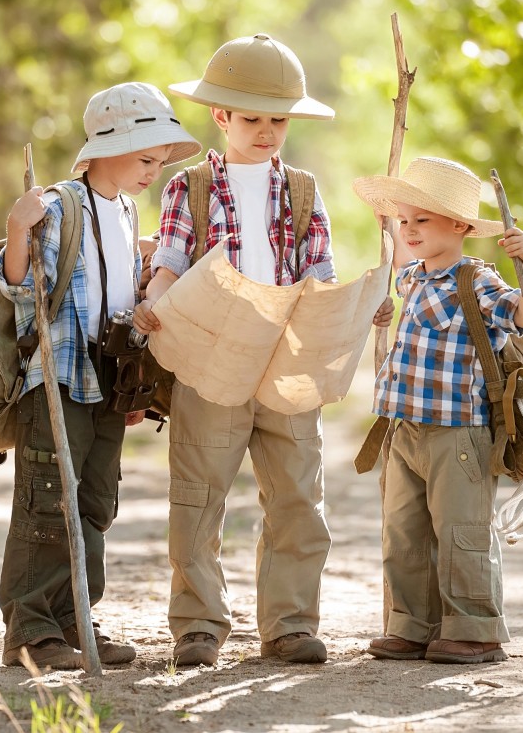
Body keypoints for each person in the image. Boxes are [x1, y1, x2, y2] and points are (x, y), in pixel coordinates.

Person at [132, 33, 393, 667]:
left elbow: (319, 274)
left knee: (299, 496)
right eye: (252, 119)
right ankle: (198, 623)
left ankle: (290, 623)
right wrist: (153, 306)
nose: (267, 132)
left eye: (279, 120)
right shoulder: (187, 189)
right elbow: (169, 260)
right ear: (220, 116)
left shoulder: (302, 191)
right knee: (199, 493)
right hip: (211, 354)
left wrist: (356, 309)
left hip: (288, 359)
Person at [0, 82, 200, 669]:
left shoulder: (129, 211)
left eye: (160, 162)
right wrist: (16, 232)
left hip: (108, 379)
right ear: (106, 148)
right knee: (47, 498)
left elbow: (119, 296)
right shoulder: (58, 205)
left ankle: (75, 616)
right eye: (145, 158)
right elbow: (16, 285)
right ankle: (30, 629)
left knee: (94, 501)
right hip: (59, 378)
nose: (153, 171)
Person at [352, 156, 523, 664]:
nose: (409, 230)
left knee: (461, 531)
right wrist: (385, 252)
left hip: (458, 433)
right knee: (404, 530)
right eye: (404, 220)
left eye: (423, 221)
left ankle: (475, 628)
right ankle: (411, 624)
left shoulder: (475, 279)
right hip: (405, 428)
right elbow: (393, 264)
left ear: (459, 226)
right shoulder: (412, 277)